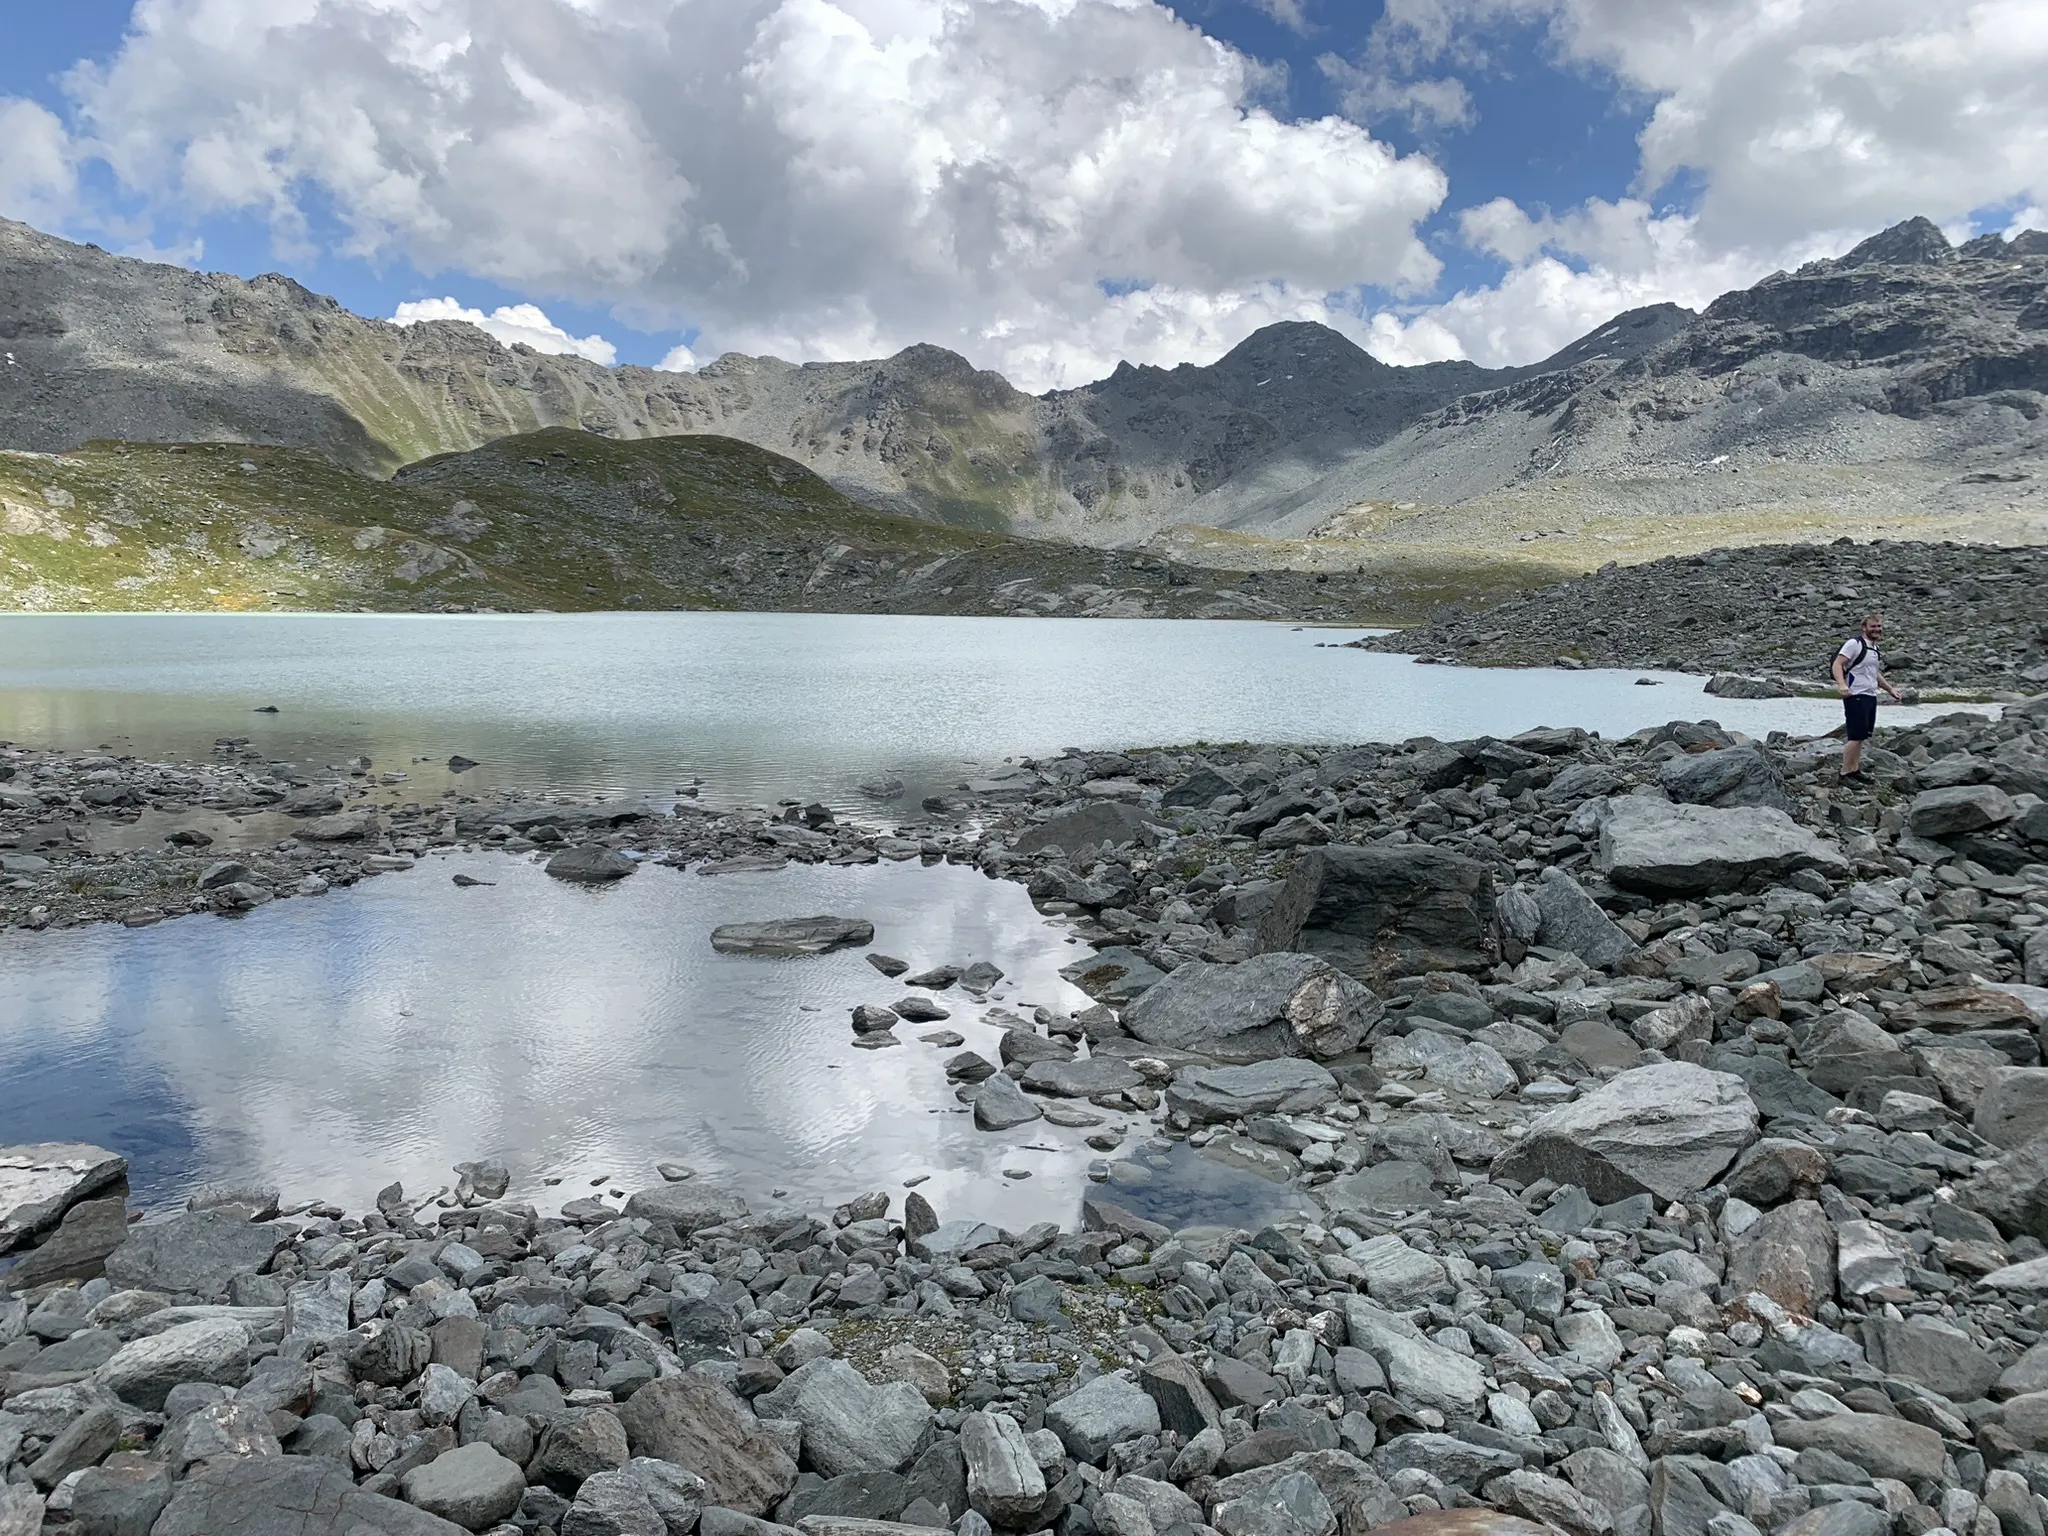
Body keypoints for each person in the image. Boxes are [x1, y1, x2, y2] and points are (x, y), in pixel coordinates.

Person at [1834, 612, 1903, 781]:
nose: (1877, 630)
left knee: (1863, 735)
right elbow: (1838, 664)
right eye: (1873, 626)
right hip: (1855, 694)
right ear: (1864, 627)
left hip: (1870, 695)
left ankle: (1854, 769)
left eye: (1879, 626)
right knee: (1855, 735)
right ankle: (1844, 773)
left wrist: (1889, 689)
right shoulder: (1854, 644)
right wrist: (1842, 685)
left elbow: (1874, 673)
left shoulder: (1873, 648)